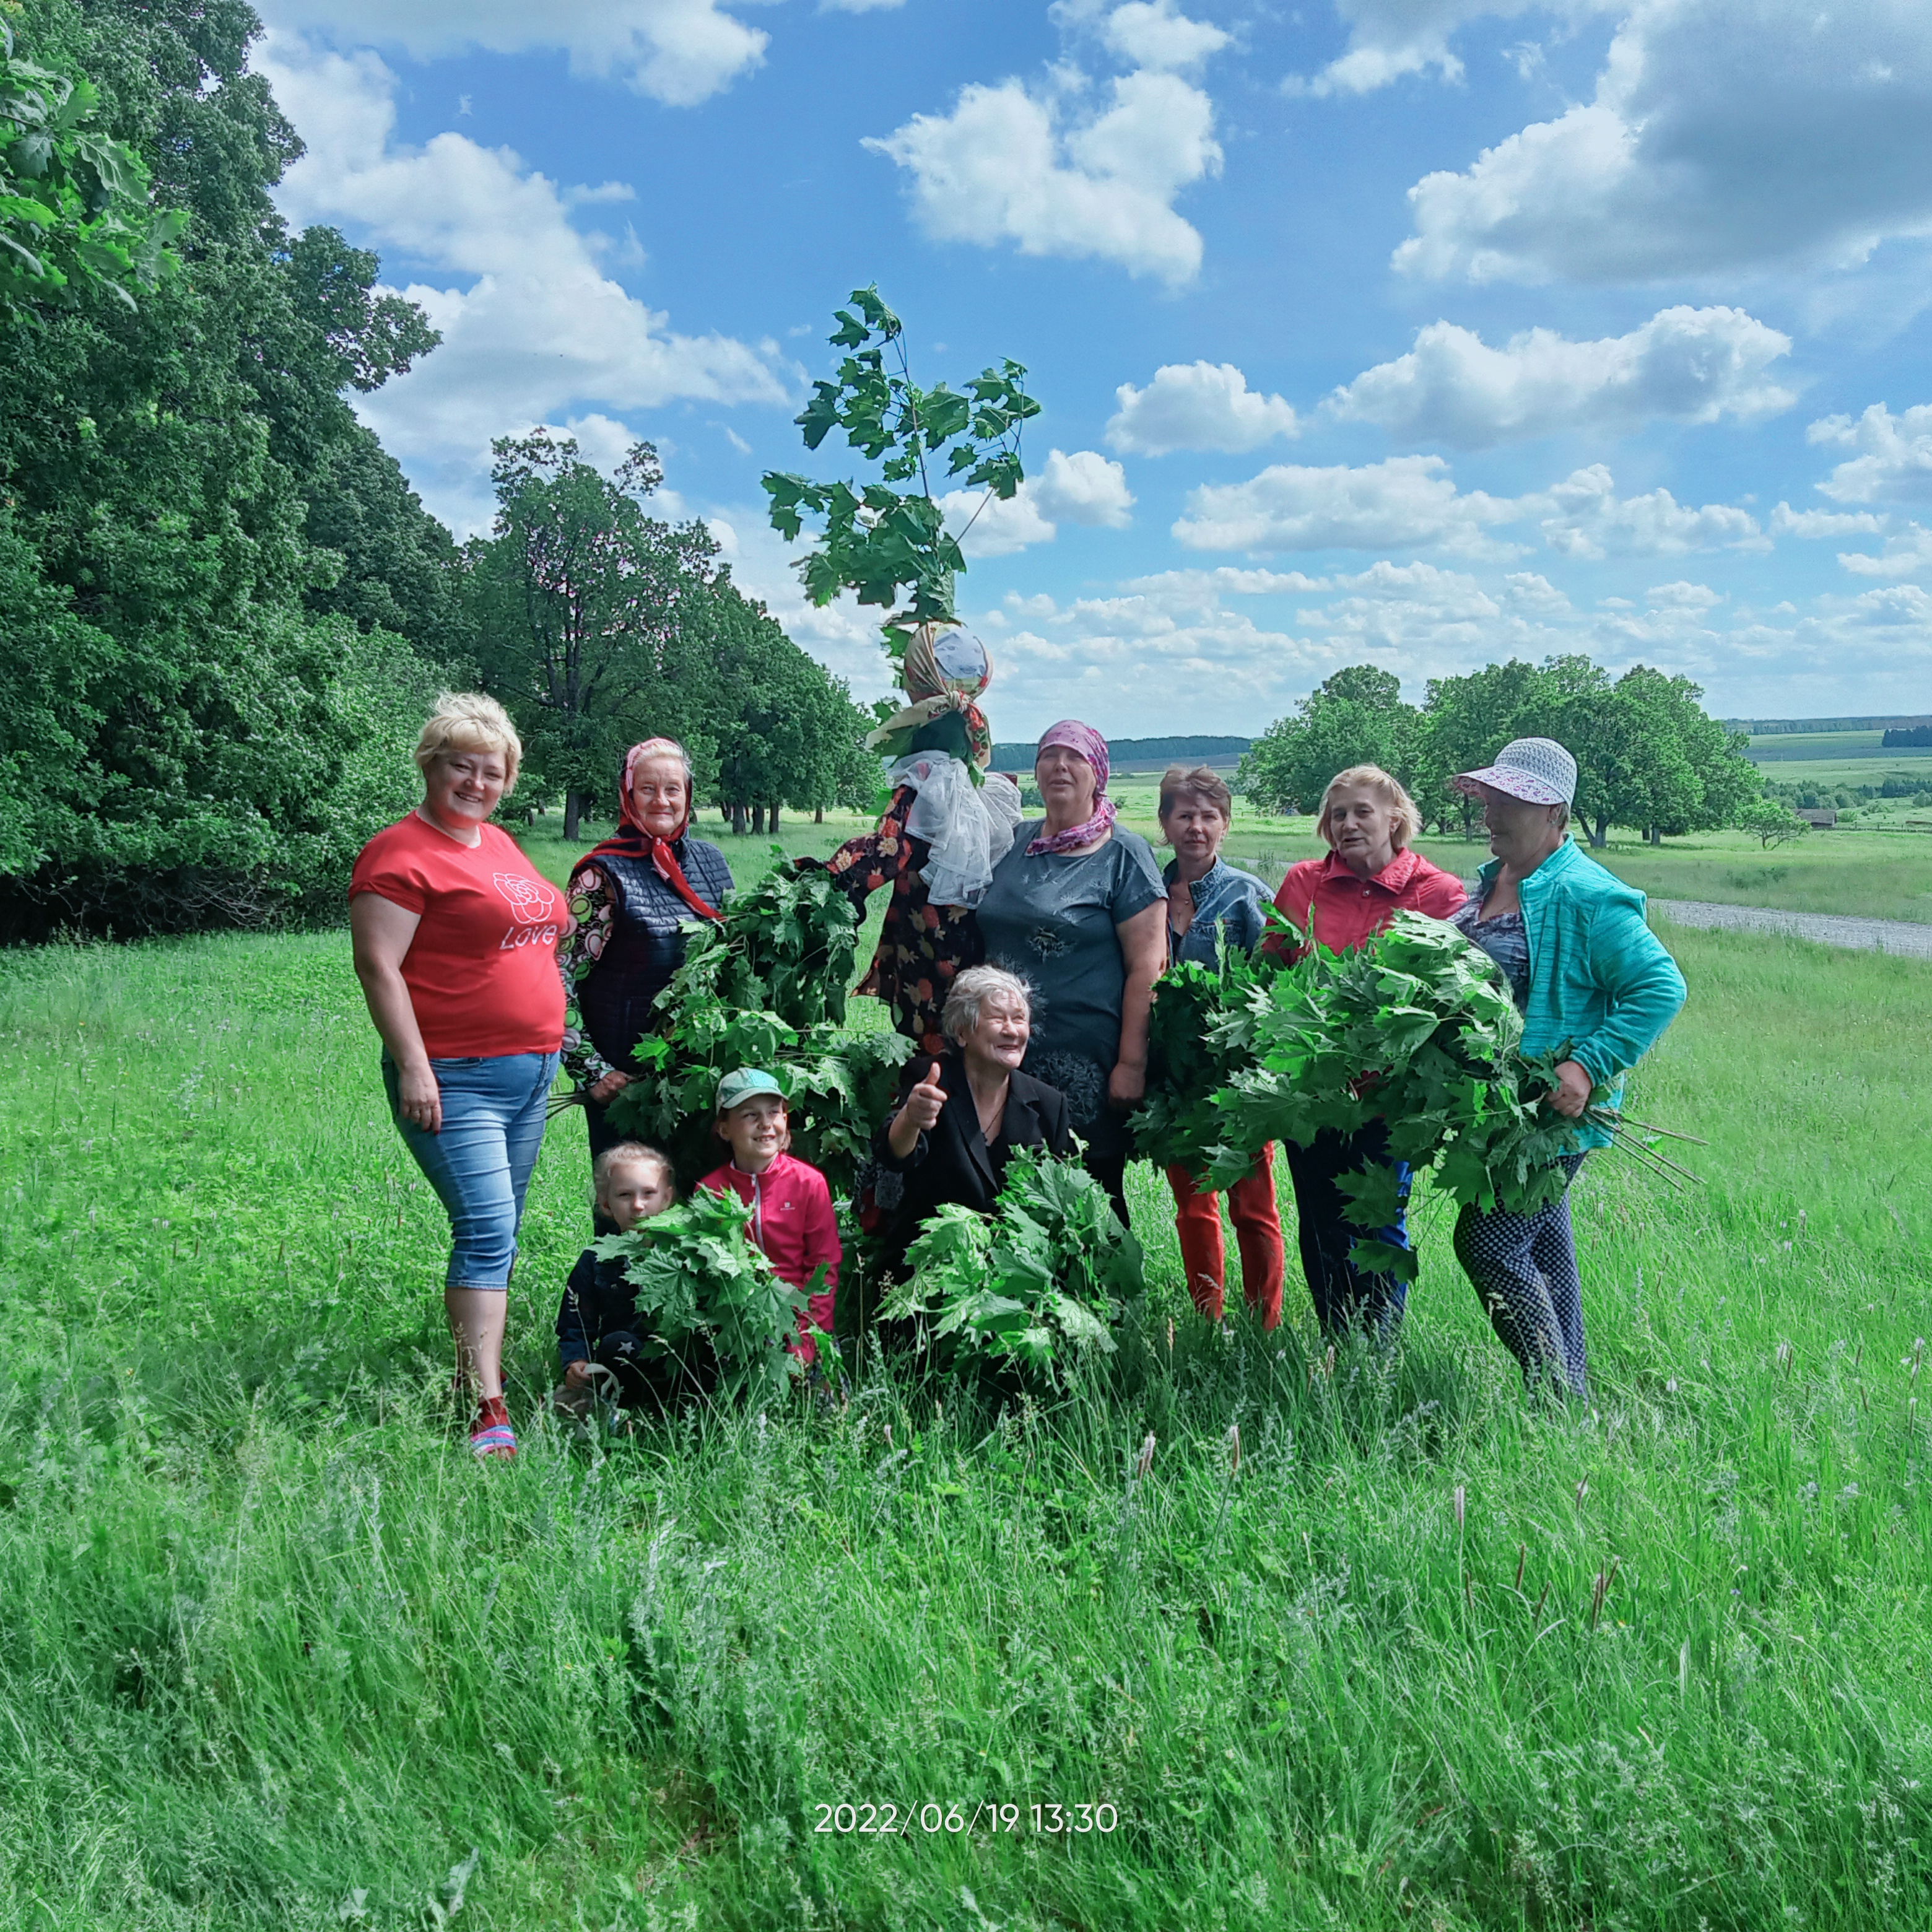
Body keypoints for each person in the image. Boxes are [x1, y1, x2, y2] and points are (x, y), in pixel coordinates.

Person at [349, 693, 566, 1460]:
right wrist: (414, 1066)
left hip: (532, 1073)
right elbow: (378, 967)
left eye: (492, 771)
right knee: (486, 1228)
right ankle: (485, 1404)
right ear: (430, 765)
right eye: (461, 767)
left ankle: (474, 1371)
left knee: (500, 1232)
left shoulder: (496, 843)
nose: (477, 783)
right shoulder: (398, 854)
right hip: (454, 1075)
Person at [1447, 738, 1685, 1399]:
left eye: (1511, 801)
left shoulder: (1585, 893)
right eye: (1490, 798)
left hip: (1547, 1115)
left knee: (1489, 1244)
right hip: (1499, 1109)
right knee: (1544, 1248)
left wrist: (1587, 1065)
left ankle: (1554, 1395)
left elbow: (1661, 987)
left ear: (1554, 812)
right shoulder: (1493, 879)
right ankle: (1570, 1404)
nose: (1491, 813)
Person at [1269, 765, 1466, 1339]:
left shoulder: (1436, 893)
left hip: (1389, 1099)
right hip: (1312, 1092)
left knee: (1378, 1222)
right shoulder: (1303, 883)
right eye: (1338, 815)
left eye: (1362, 812)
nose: (1348, 824)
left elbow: (1454, 996)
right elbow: (1271, 970)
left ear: (1395, 818)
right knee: (1321, 1221)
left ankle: (1377, 1351)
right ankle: (1338, 1345)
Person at [976, 722, 1167, 1229]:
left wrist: (1132, 1063)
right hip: (1004, 1055)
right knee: (1006, 1190)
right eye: (1049, 755)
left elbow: (1148, 966)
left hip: (1084, 1062)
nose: (1060, 766)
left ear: (1097, 773)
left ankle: (1104, 1281)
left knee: (1091, 1197)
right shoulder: (1013, 841)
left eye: (1075, 757)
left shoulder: (1123, 853)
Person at [803, 624, 1022, 1055]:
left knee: (935, 1056)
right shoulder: (974, 781)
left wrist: (823, 880)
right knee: (971, 1048)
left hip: (933, 955)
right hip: (974, 949)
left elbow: (889, 852)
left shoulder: (927, 782)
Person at [559, 738, 734, 1166]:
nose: (662, 801)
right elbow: (556, 977)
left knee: (703, 1192)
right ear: (628, 794)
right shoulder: (601, 875)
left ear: (687, 795)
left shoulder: (711, 863)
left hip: (699, 1072)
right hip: (628, 1084)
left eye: (673, 789)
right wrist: (591, 1071)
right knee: (634, 1196)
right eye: (648, 789)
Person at [1155, 765, 1285, 1328]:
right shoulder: (1145, 892)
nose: (1197, 827)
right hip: (1173, 1078)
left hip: (1239, 1079)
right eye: (1184, 815)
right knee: (1193, 1208)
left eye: (1209, 816)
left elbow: (1279, 982)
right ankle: (1207, 1318)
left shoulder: (1248, 895)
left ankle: (1264, 1324)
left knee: (1254, 1208)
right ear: (1165, 824)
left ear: (1225, 825)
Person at [872, 967, 1075, 1279]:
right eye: (997, 1018)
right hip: (929, 1269)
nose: (1012, 1031)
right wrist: (911, 1118)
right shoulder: (929, 1079)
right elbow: (894, 1154)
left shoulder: (1050, 1106)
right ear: (962, 1032)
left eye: (1019, 1019)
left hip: (1016, 1275)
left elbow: (1061, 1200)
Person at [697, 1068, 842, 1367]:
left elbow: (823, 1268)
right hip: (738, 1326)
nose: (765, 1123)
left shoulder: (809, 1183)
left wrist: (808, 1338)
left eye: (774, 1112)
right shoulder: (710, 1192)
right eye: (750, 1114)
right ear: (724, 1129)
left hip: (802, 1320)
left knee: (816, 1391)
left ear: (785, 1119)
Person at [553, 1142, 692, 1416]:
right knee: (616, 1343)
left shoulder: (684, 1254)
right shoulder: (596, 1260)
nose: (638, 1206)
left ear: (667, 1198)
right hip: (623, 1358)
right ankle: (620, 1407)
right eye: (625, 1195)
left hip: (675, 1360)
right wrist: (576, 1360)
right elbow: (575, 1323)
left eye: (649, 1193)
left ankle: (675, 1405)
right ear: (606, 1204)